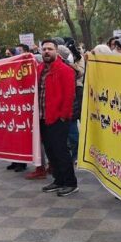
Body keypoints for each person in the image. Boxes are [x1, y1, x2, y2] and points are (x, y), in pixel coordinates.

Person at [37, 39, 78, 196]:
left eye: (50, 49)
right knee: (50, 151)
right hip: (43, 117)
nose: (46, 51)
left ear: (56, 51)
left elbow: (69, 96)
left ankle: (70, 183)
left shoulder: (65, 70)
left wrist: (63, 116)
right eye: (44, 49)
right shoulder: (40, 69)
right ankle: (58, 180)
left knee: (61, 151)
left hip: (58, 119)